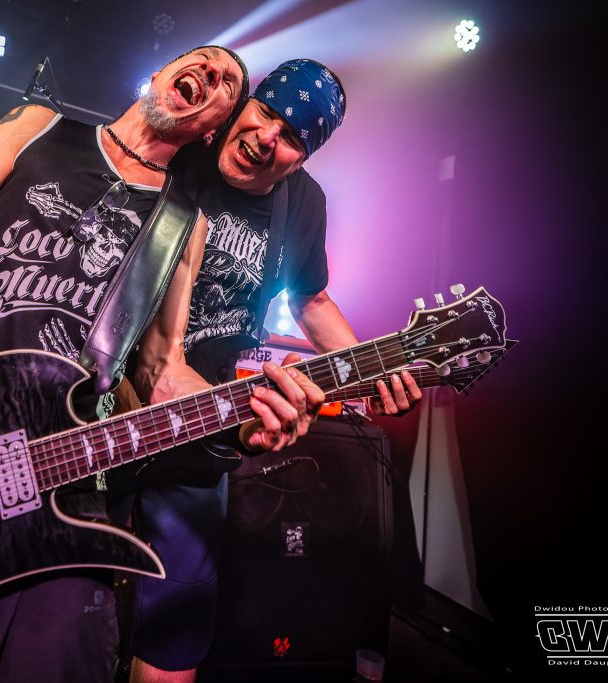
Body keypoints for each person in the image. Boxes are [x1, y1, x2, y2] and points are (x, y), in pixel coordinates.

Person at [0, 46, 324, 682]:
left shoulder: (184, 222)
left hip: (54, 476)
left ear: (213, 128)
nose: (210, 74)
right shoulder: (37, 128)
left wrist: (239, 420)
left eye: (228, 83)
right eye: (202, 61)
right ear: (159, 73)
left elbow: (160, 370)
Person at [116, 59, 423, 683]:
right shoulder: (186, 144)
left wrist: (378, 369)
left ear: (303, 158)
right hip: (100, 399)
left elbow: (311, 299)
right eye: (265, 115)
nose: (266, 138)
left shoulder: (303, 204)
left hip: (200, 428)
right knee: (66, 605)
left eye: (290, 139)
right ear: (246, 102)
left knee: (175, 626)